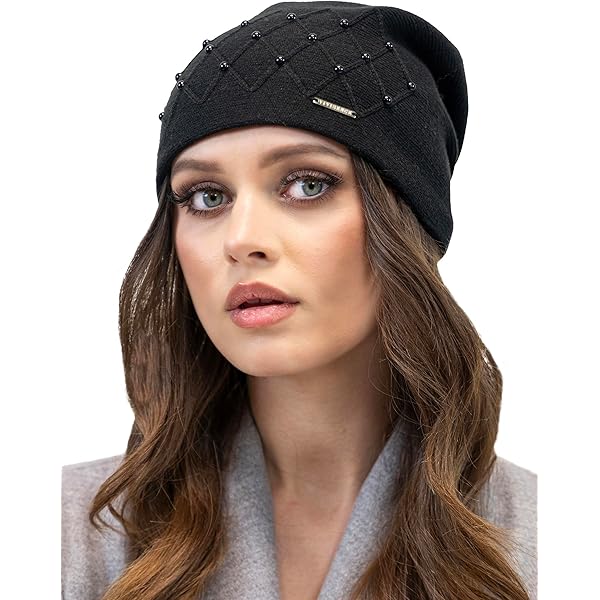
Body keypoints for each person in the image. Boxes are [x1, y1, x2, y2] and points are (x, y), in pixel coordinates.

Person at [61, 2, 537, 599]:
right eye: (207, 196)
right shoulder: (66, 530)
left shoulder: (544, 535)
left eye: (307, 184)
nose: (241, 240)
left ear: (407, 223)